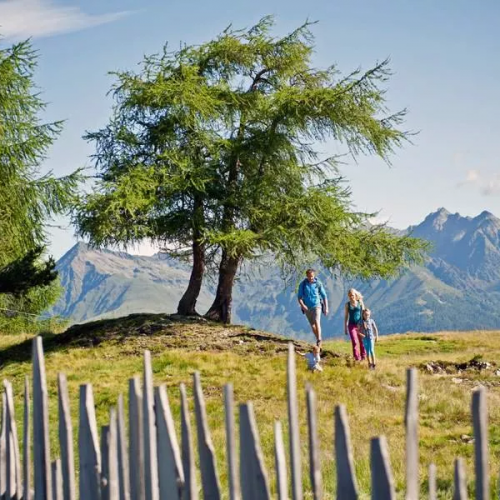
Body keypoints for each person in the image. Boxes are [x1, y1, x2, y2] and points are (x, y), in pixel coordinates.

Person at [297, 269, 328, 347]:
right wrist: (303, 305)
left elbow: (324, 296)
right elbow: (299, 297)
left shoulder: (318, 283)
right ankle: (318, 338)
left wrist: (326, 308)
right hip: (307, 307)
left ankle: (319, 339)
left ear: (314, 275)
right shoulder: (303, 284)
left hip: (317, 305)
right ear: (307, 276)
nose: (311, 278)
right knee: (312, 325)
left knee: (316, 320)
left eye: (312, 276)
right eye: (309, 276)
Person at [344, 288, 366, 361]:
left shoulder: (360, 303)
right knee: (354, 341)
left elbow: (363, 314)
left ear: (355, 295)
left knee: (361, 341)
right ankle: (357, 358)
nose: (351, 297)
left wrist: (364, 323)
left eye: (352, 295)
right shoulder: (347, 305)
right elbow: (346, 316)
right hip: (351, 325)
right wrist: (345, 327)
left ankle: (363, 356)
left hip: (360, 324)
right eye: (350, 295)